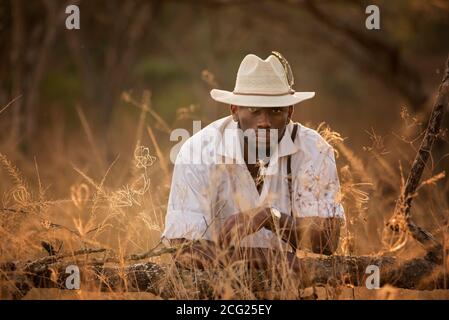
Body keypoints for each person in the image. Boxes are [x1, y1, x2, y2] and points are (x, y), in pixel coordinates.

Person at [161, 52, 345, 273]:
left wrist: (268, 216)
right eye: (254, 110)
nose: (264, 123)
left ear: (290, 112)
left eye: (275, 111)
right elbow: (184, 250)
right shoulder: (197, 151)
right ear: (235, 110)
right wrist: (273, 260)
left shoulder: (314, 149)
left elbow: (328, 240)